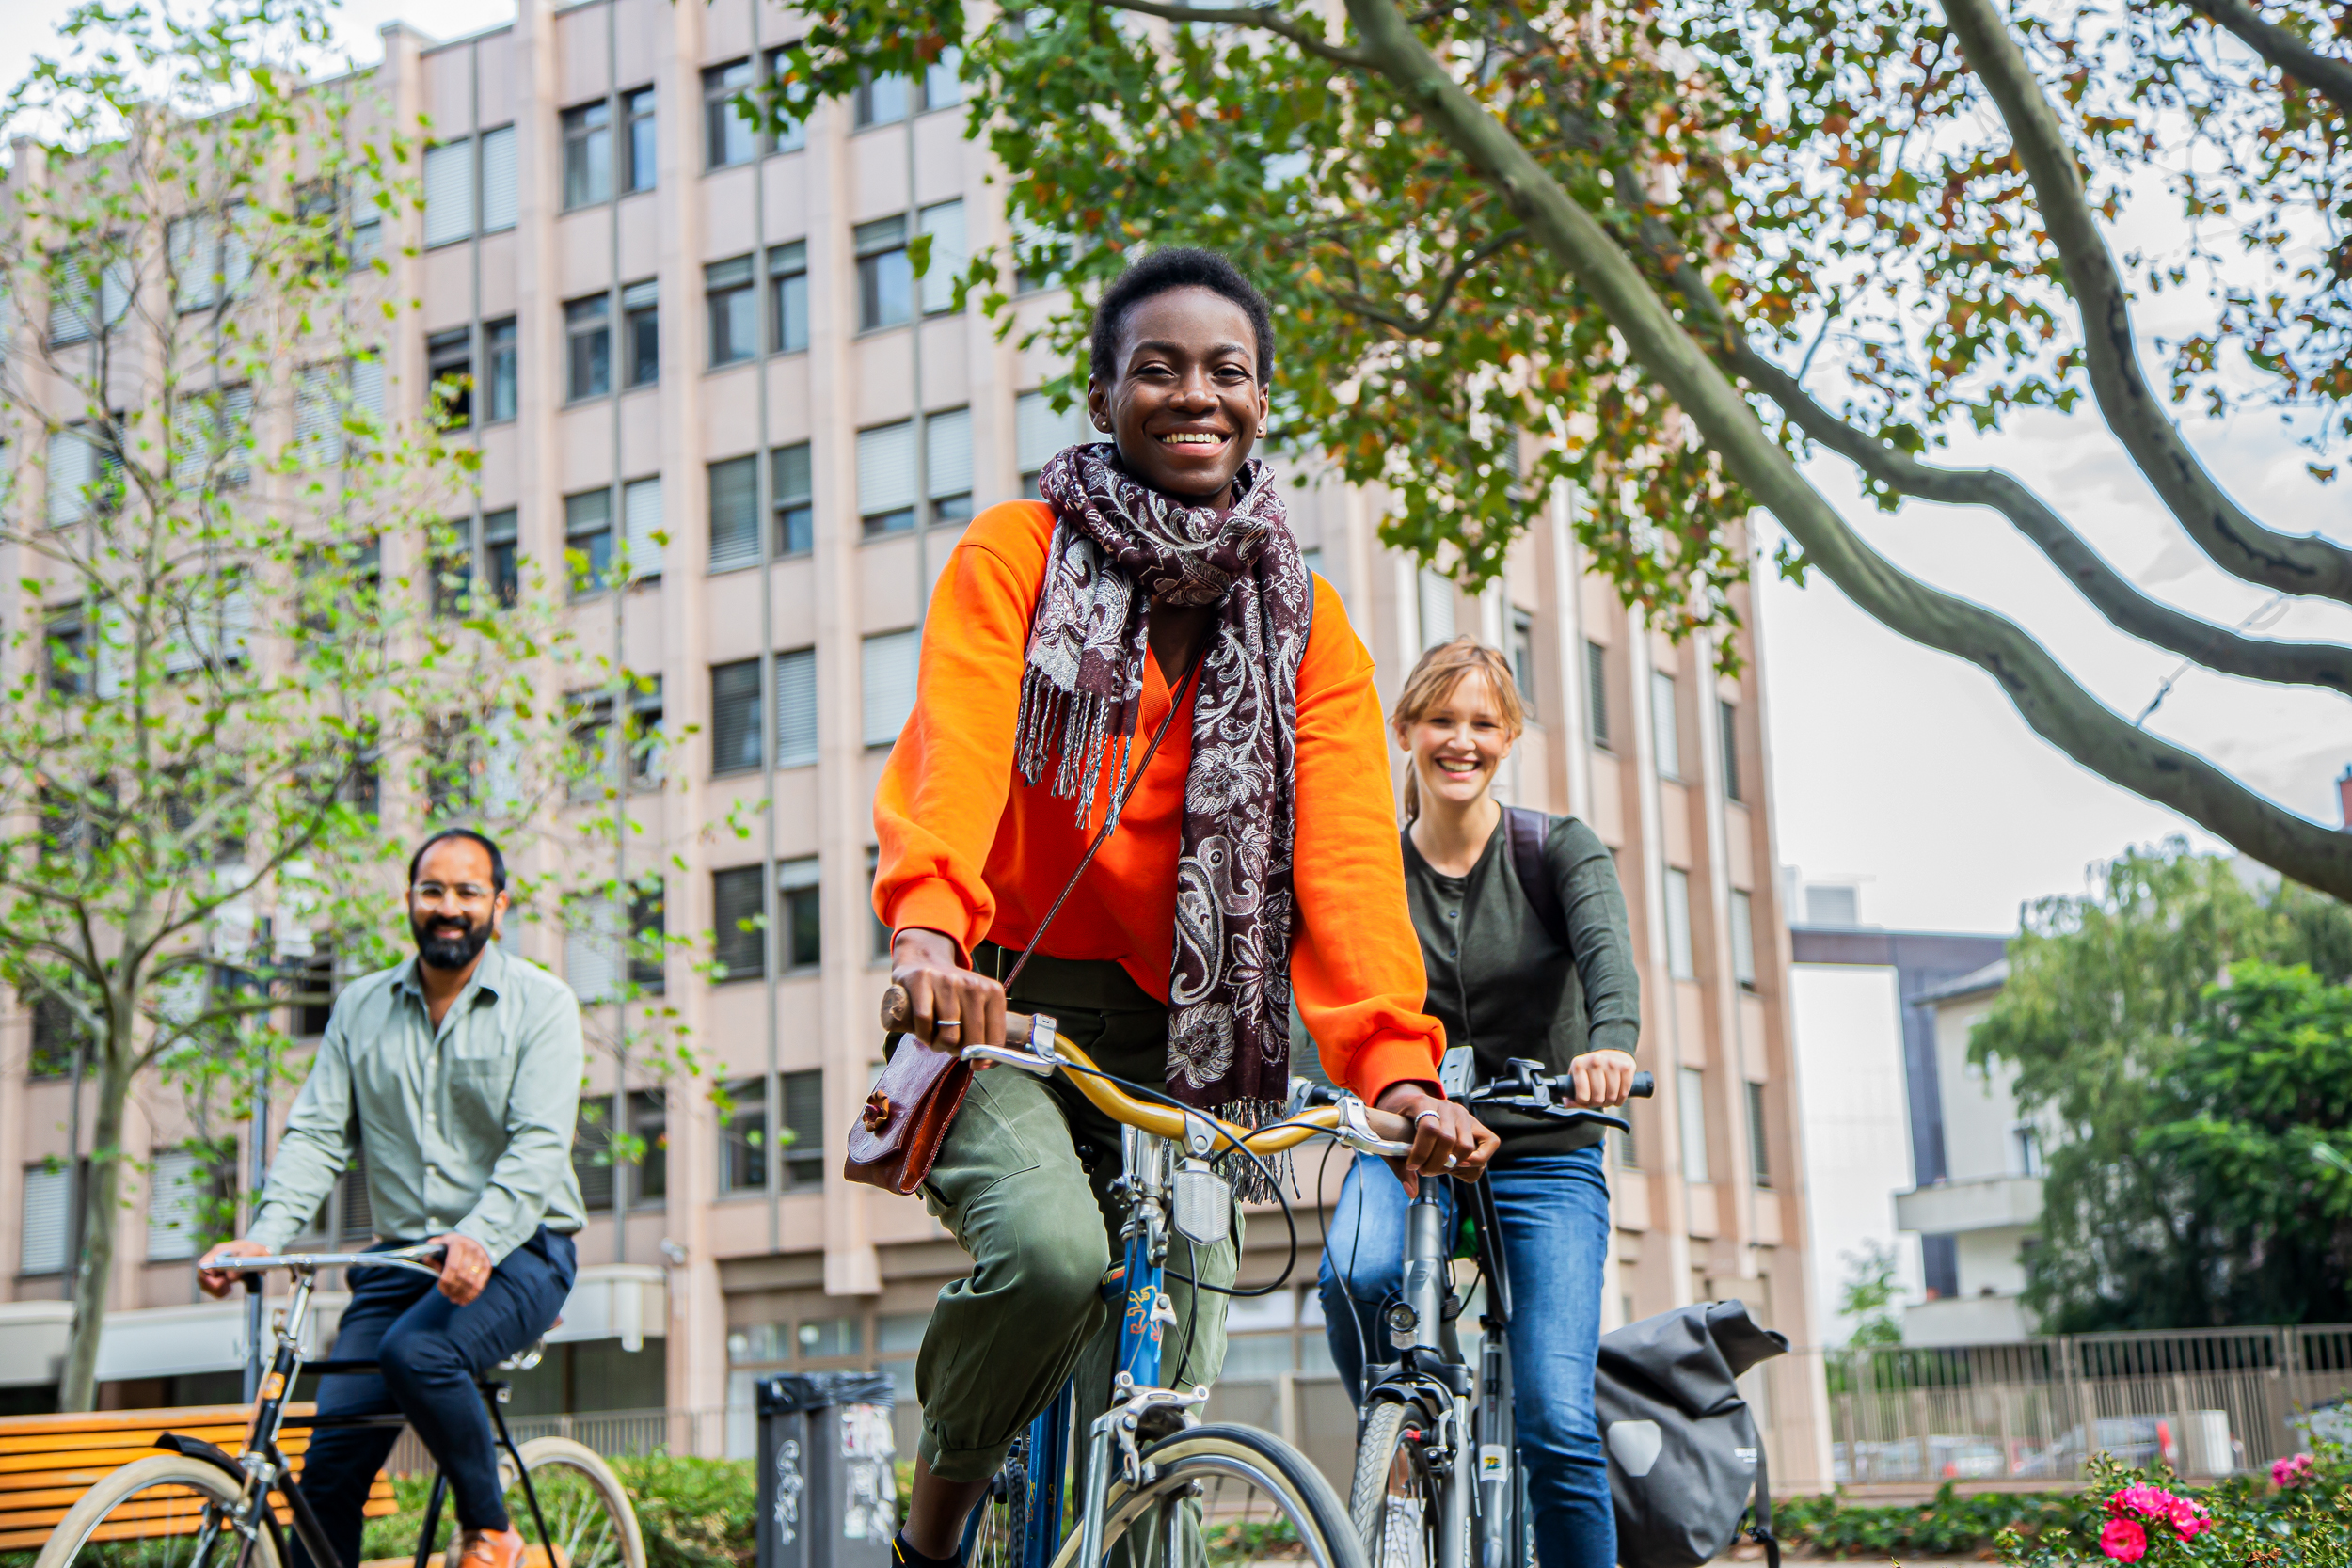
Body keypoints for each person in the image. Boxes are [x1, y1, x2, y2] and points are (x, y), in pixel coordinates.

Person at [873, 246, 1501, 1567]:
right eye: (1156, 368)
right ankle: (929, 1538)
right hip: (1006, 1009)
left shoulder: (1308, 624)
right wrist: (928, 928)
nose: (1194, 393)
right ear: (1106, 398)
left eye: (1227, 369)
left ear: (1263, 400)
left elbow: (1343, 864)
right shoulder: (1016, 558)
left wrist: (1393, 1066)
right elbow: (960, 751)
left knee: (1182, 1345)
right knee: (1050, 1252)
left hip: (1190, 1037)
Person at [1317, 638, 1639, 1568]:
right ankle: (1406, 1424)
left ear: (1509, 738)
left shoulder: (1554, 849)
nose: (1462, 740)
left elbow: (1606, 963)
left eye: (1483, 724)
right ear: (1407, 729)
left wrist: (1609, 1046)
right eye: (1443, 720)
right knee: (1354, 1268)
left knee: (1555, 1418)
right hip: (1410, 1146)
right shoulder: (1370, 869)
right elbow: (1331, 990)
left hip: (1543, 1147)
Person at [200, 829, 585, 1568]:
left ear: (497, 907)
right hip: (401, 1259)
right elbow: (316, 1136)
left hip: (521, 1250)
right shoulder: (360, 1009)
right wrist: (263, 1236)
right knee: (327, 1478)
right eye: (432, 890)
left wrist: (477, 1235)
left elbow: (537, 1148)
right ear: (408, 901)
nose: (448, 906)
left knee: (418, 1349)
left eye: (468, 891)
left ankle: (493, 1532)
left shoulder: (543, 1004)